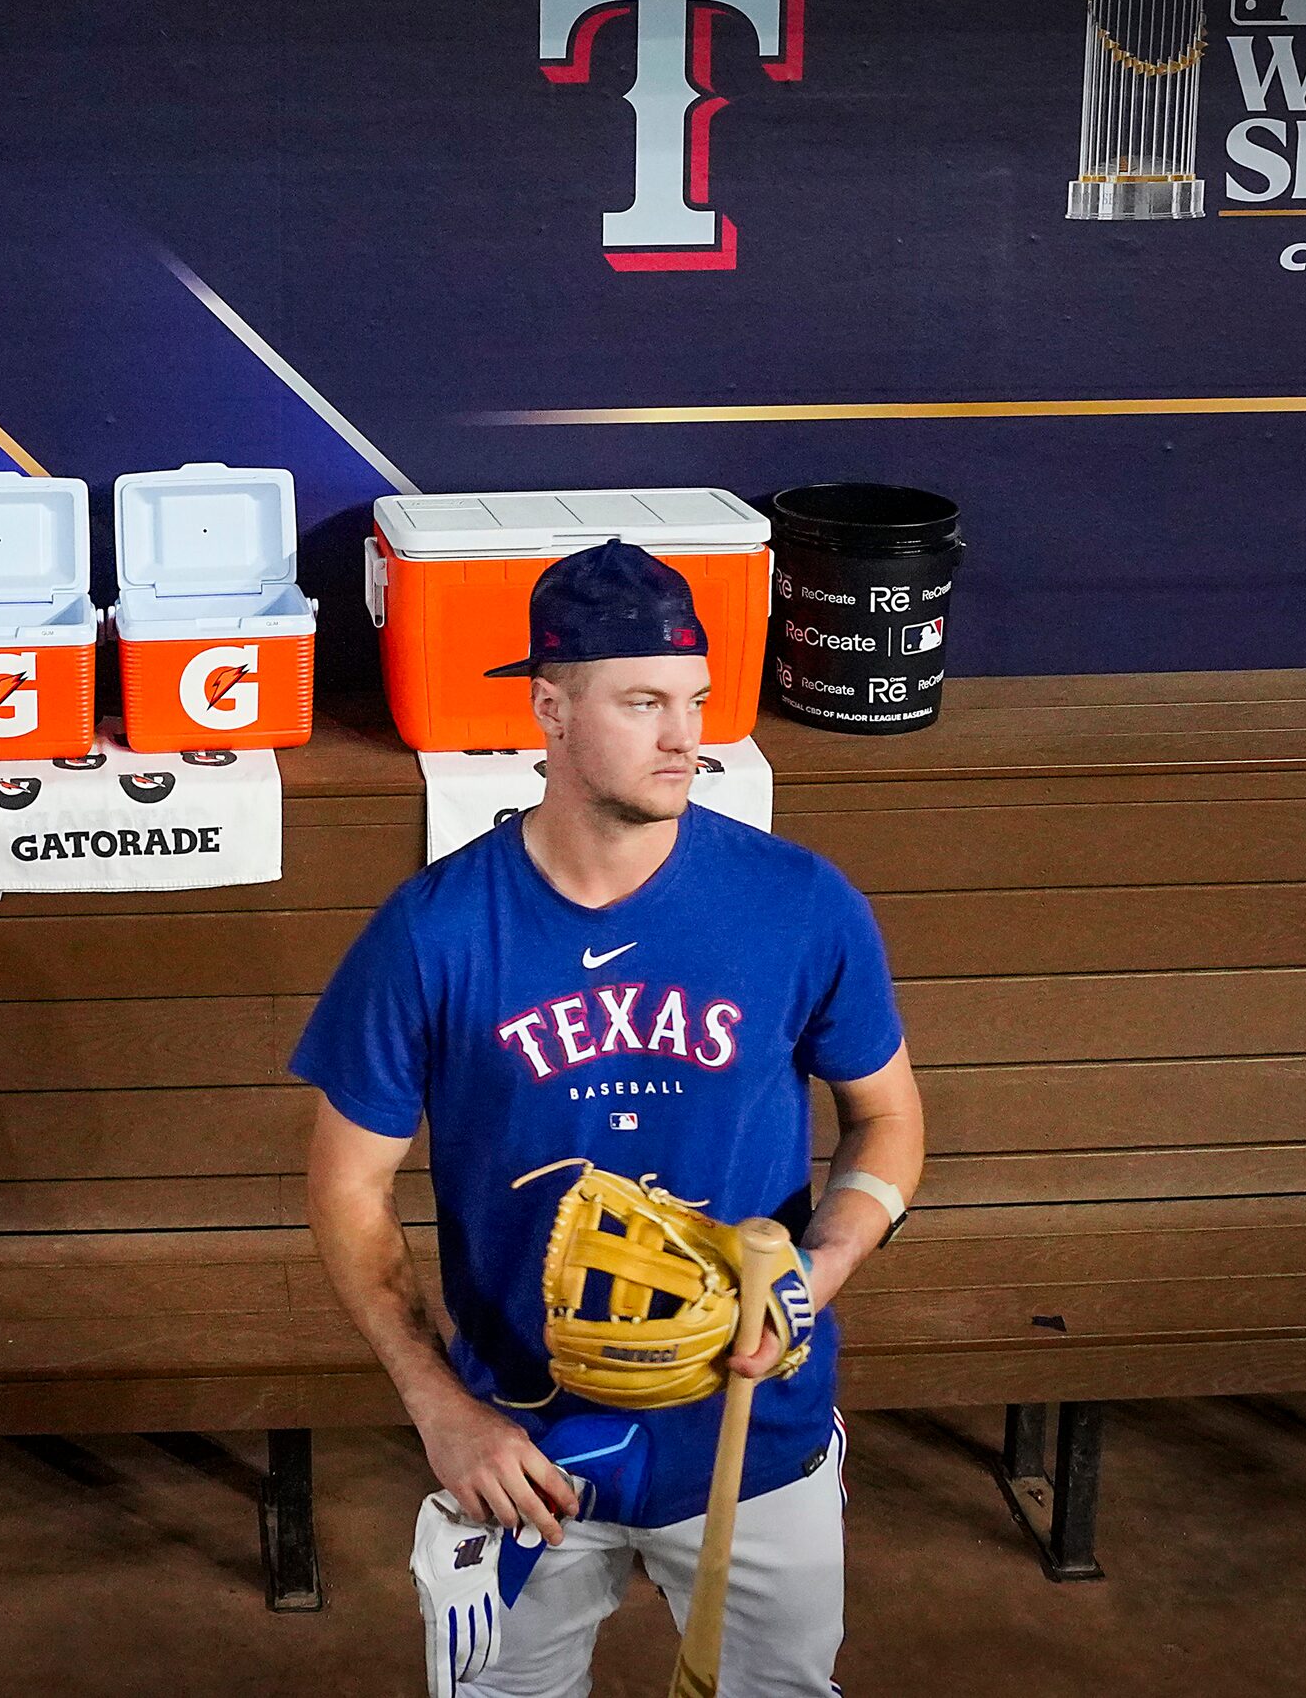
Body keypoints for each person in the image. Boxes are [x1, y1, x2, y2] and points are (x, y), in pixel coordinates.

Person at [297, 539, 925, 1697]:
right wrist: (440, 1412)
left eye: (694, 701)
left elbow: (889, 1122)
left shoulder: (800, 903)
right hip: (522, 1449)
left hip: (752, 1434)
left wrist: (813, 1275)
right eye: (644, 703)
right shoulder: (434, 931)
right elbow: (344, 1186)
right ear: (549, 709)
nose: (686, 736)